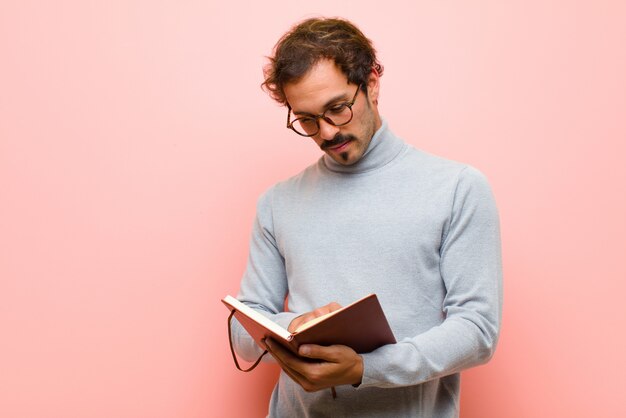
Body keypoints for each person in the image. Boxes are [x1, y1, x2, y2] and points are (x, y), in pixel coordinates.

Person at [230, 17, 502, 418]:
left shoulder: (458, 188)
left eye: (337, 109)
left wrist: (365, 369)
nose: (325, 133)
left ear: (372, 82)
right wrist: (295, 326)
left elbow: (478, 330)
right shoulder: (277, 202)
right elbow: (243, 332)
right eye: (306, 119)